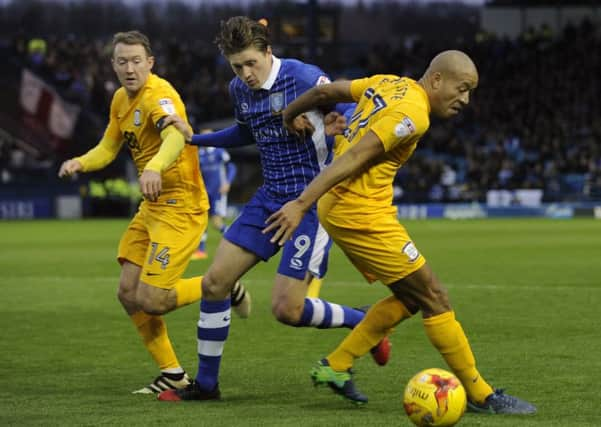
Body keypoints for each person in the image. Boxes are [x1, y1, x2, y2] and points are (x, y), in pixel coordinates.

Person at [263, 50, 537, 414]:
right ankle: (481, 394)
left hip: (352, 207)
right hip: (358, 212)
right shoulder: (414, 114)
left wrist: (289, 113)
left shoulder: (388, 83)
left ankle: (337, 366)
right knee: (433, 295)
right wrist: (300, 203)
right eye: (463, 88)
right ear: (437, 79)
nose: (465, 100)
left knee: (410, 297)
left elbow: (324, 94)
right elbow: (356, 156)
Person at [157, 16, 389, 402]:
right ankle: (207, 386)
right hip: (268, 199)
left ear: (268, 52)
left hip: (311, 202)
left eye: (251, 63)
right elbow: (245, 132)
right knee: (215, 283)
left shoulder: (302, 77)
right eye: (237, 66)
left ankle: (367, 321)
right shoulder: (239, 89)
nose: (246, 73)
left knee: (286, 309)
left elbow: (354, 107)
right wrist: (194, 138)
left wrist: (338, 124)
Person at [58, 30, 250, 395]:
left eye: (136, 60)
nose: (129, 68)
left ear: (150, 63)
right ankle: (173, 373)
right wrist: (81, 162)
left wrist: (154, 167)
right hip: (153, 206)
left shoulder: (159, 96)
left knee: (152, 300)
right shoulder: (120, 99)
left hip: (181, 204)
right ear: (113, 65)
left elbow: (177, 135)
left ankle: (221, 287)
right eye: (122, 61)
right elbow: (108, 147)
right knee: (128, 293)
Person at [191, 132, 238, 261]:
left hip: (218, 192)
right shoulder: (200, 154)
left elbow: (232, 167)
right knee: (203, 220)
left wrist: (228, 182)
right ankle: (200, 250)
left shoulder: (219, 151)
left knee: (216, 222)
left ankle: (237, 240)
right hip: (205, 192)